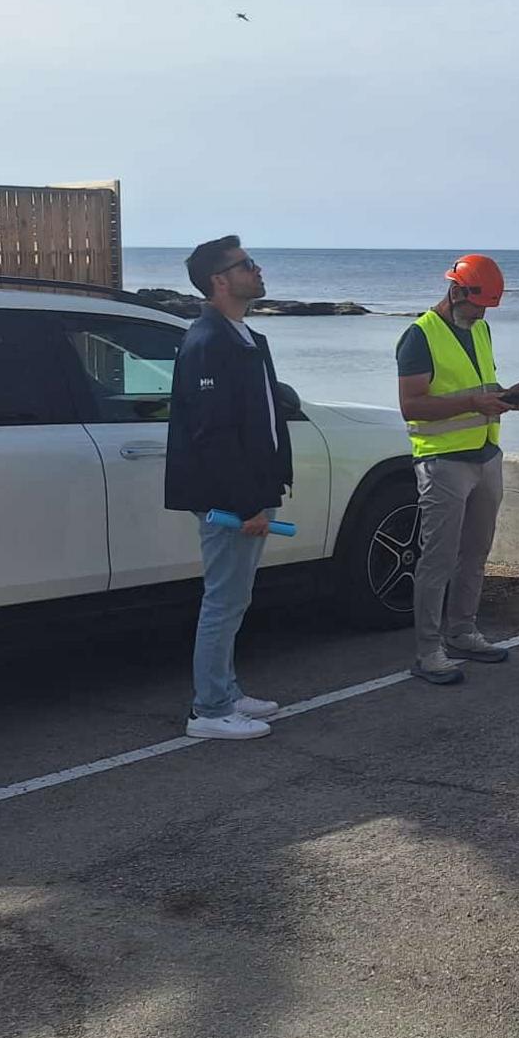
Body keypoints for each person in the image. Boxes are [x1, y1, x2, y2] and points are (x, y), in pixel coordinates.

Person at [165, 235, 296, 739]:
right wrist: (244, 505)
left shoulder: (244, 338)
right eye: (246, 265)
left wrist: (269, 487)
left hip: (249, 495)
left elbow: (262, 420)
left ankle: (226, 689)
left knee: (235, 598)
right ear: (221, 281)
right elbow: (212, 434)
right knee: (222, 600)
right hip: (229, 501)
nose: (257, 270)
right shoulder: (208, 343)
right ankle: (211, 710)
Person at [396, 254, 519, 685]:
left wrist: (503, 396)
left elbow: (479, 384)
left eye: (488, 308)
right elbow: (411, 405)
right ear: (457, 292)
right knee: (437, 559)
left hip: (486, 454)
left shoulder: (482, 329)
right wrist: (475, 403)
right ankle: (428, 650)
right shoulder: (419, 336)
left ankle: (462, 631)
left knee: (476, 552)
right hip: (443, 463)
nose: (483, 314)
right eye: (478, 306)